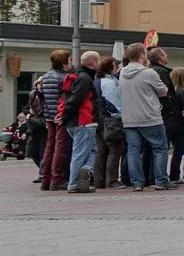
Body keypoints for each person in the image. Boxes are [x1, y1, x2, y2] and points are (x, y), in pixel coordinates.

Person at [120, 42, 175, 191]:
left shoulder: (122, 72)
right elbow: (163, 91)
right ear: (142, 55)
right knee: (160, 148)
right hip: (150, 116)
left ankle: (137, 183)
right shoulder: (148, 73)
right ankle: (161, 180)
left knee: (133, 150)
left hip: (129, 117)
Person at [62, 50, 100, 193]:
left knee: (91, 149)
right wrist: (65, 117)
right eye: (98, 60)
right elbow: (76, 99)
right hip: (84, 120)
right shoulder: (85, 78)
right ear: (93, 63)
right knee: (81, 153)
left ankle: (83, 173)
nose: (100, 63)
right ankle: (75, 181)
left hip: (77, 122)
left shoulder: (78, 76)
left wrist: (65, 118)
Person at [148, 48, 184, 186]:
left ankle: (151, 176)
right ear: (159, 58)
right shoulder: (162, 72)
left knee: (153, 148)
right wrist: (171, 109)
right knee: (163, 148)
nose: (167, 55)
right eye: (164, 54)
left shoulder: (149, 70)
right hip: (169, 116)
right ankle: (165, 177)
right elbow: (166, 94)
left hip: (156, 113)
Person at [37, 49, 72, 191]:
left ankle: (46, 179)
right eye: (69, 60)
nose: (71, 62)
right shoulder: (65, 78)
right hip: (60, 117)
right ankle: (57, 179)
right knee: (61, 148)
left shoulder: (45, 77)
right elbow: (66, 99)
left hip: (48, 116)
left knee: (49, 147)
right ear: (63, 63)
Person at [94, 56, 125, 188]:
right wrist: (119, 115)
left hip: (97, 119)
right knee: (114, 149)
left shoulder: (97, 80)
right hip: (109, 120)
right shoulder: (108, 82)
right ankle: (112, 180)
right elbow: (112, 103)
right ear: (110, 67)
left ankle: (99, 180)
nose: (117, 67)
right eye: (116, 65)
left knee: (100, 150)